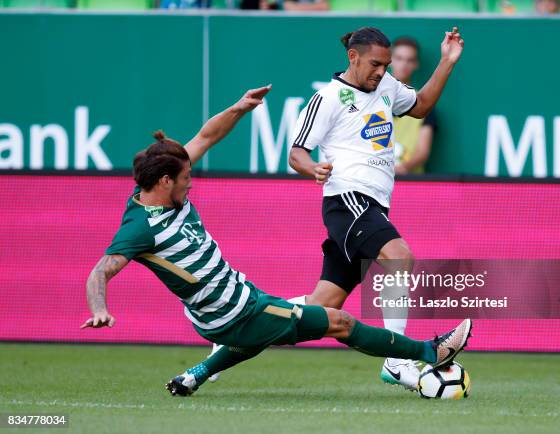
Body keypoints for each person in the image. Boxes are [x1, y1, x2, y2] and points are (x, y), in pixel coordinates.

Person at [80, 84, 472, 397]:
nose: (191, 180)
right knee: (339, 321)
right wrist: (99, 309)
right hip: (230, 313)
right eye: (186, 178)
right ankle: (426, 351)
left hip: (240, 298)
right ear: (165, 182)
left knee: (277, 324)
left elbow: (205, 136)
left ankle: (196, 374)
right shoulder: (139, 227)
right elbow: (101, 271)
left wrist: (238, 108)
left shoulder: (165, 183)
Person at [287, 26, 465, 390]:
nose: (381, 72)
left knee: (322, 307)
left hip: (373, 206)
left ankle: (243, 326)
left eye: (385, 65)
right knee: (399, 256)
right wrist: (313, 168)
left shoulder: (385, 86)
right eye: (375, 64)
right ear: (353, 57)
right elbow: (296, 152)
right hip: (347, 199)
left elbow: (421, 106)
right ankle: (397, 360)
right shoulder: (329, 98)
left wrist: (447, 62)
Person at [390, 36, 437, 175]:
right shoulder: (372, 97)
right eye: (398, 58)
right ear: (389, 60)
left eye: (409, 60)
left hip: (410, 183)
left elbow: (423, 152)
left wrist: (403, 168)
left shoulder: (424, 102)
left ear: (416, 64)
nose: (403, 64)